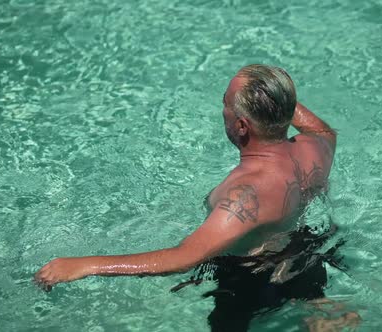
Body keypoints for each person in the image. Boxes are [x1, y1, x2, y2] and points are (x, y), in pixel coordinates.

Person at [35, 64, 359, 331]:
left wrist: (84, 265)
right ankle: (319, 312)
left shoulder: (246, 194)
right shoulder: (314, 148)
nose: (223, 110)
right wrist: (274, 97)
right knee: (312, 303)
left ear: (242, 125)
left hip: (250, 275)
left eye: (225, 103)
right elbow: (322, 130)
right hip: (304, 249)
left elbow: (183, 257)